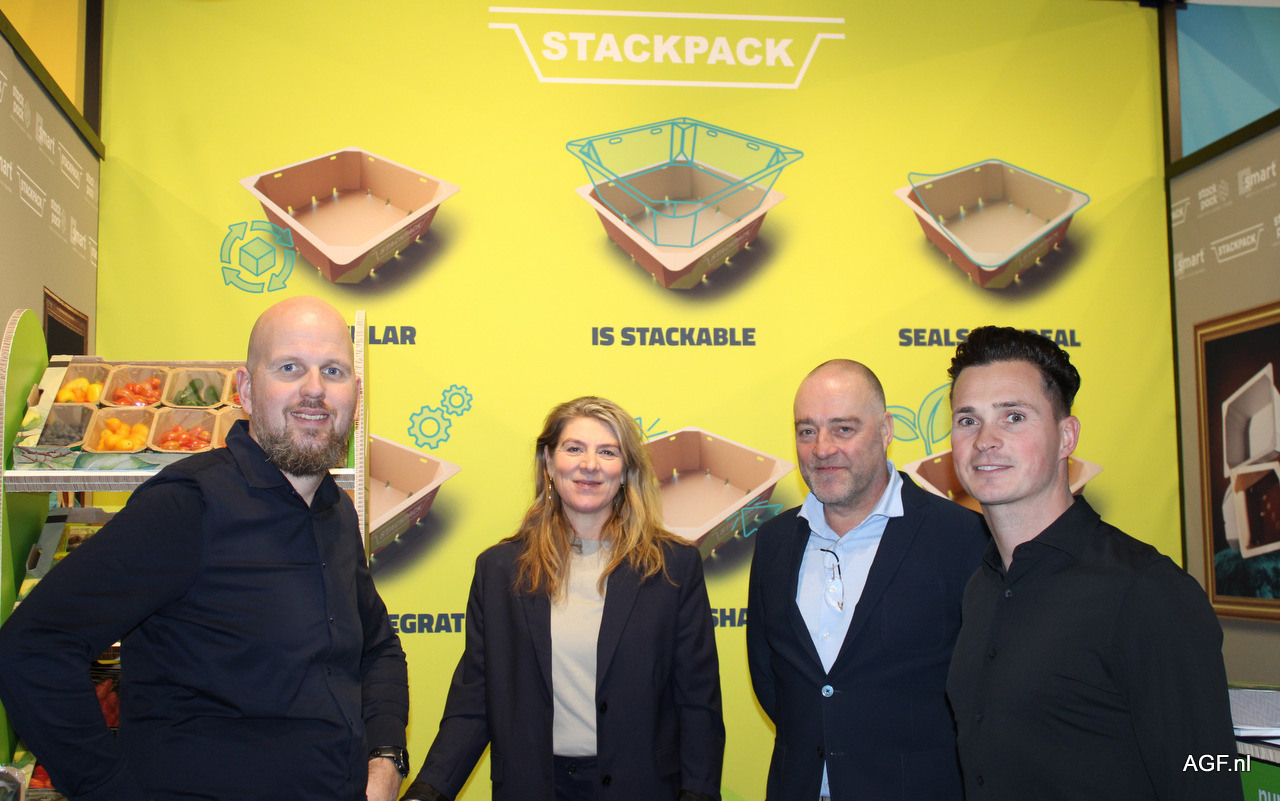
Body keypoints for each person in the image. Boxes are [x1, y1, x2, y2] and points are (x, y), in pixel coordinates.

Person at [0, 296, 410, 801]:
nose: (314, 389)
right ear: (246, 390)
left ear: (356, 395)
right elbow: (33, 647)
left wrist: (386, 758)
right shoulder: (186, 506)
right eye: (289, 367)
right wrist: (108, 789)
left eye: (333, 371)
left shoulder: (338, 513)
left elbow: (378, 647)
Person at [944, 325, 1241, 800]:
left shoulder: (1147, 592)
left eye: (1013, 417)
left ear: (1066, 437)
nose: (984, 440)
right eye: (967, 420)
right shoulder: (980, 588)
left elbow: (1208, 774)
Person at [400, 396, 723, 801]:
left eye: (608, 452)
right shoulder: (499, 569)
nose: (590, 464)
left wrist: (699, 792)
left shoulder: (673, 568)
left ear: (626, 471)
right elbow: (476, 698)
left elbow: (698, 701)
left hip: (641, 787)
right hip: (531, 787)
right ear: (549, 464)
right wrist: (428, 790)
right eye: (574, 448)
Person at [746, 360, 987, 801]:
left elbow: (982, 691)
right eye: (806, 431)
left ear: (886, 430)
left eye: (843, 429)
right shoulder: (774, 540)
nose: (821, 449)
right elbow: (770, 676)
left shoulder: (962, 536)